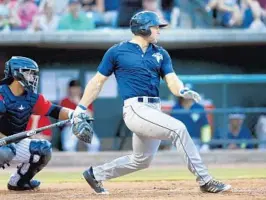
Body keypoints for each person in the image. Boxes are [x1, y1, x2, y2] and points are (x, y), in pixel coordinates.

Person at [72, 11, 231, 194]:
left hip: (154, 108)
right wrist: (81, 107)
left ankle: (95, 174)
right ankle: (205, 180)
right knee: (178, 129)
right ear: (143, 28)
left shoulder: (161, 53)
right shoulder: (117, 51)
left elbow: (172, 80)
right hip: (135, 108)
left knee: (142, 160)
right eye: (156, 27)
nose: (159, 31)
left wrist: (182, 90)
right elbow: (97, 82)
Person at [0, 56, 75, 191]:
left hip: (13, 143)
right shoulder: (1, 94)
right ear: (17, 73)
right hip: (3, 145)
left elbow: (55, 110)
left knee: (43, 149)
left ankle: (19, 182)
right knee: (5, 151)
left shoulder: (32, 97)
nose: (32, 77)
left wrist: (74, 115)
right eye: (29, 73)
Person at [60, 79, 100, 152]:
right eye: (73, 88)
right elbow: (62, 118)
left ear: (80, 89)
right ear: (69, 89)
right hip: (70, 127)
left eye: (77, 88)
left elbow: (90, 116)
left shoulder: (86, 100)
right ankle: (72, 163)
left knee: (95, 144)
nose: (75, 90)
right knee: (69, 146)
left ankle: (91, 163)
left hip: (84, 127)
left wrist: (78, 102)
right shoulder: (64, 101)